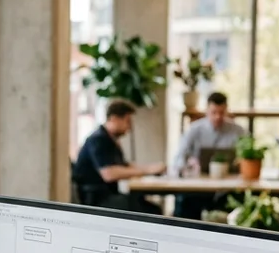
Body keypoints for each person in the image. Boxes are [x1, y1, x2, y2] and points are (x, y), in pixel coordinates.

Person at [72, 100, 164, 214]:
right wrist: (147, 170)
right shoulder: (98, 139)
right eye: (127, 121)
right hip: (96, 200)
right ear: (114, 118)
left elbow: (124, 165)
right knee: (150, 211)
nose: (129, 127)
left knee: (149, 207)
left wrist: (151, 168)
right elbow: (109, 174)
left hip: (107, 195)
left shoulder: (110, 140)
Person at [170, 91, 244, 220]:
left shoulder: (238, 131)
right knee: (184, 201)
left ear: (226, 111)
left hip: (227, 189)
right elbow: (178, 159)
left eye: (221, 113)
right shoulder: (194, 130)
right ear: (206, 110)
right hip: (199, 189)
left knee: (242, 201)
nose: (217, 117)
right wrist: (189, 165)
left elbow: (249, 158)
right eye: (213, 112)